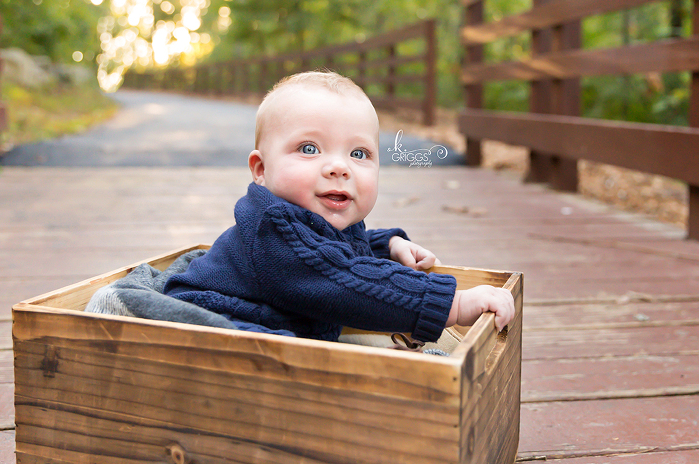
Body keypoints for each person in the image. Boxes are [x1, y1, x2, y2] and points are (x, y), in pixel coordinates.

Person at [164, 71, 514, 342]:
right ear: (261, 170)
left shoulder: (315, 221)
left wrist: (386, 246)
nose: (339, 166)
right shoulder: (273, 225)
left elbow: (333, 255)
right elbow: (340, 279)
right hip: (207, 319)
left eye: (358, 154)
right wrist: (453, 305)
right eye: (309, 148)